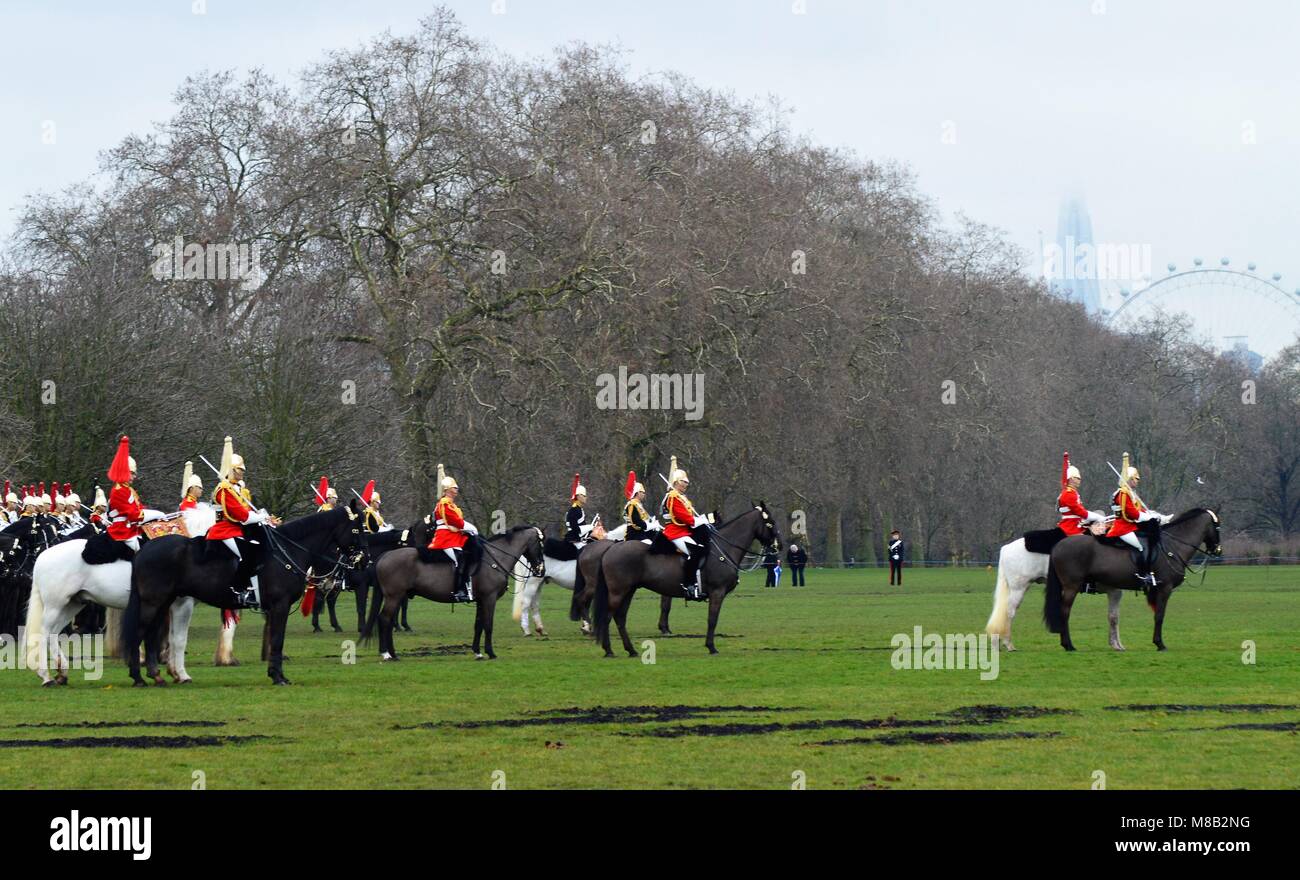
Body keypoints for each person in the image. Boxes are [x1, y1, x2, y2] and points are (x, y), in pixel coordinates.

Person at [207, 436, 274, 608]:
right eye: (239, 470)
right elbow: (241, 516)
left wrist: (264, 518)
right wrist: (261, 516)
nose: (242, 472)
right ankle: (240, 590)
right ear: (232, 470)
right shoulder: (224, 489)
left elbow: (247, 511)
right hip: (224, 530)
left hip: (236, 529)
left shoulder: (237, 489)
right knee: (248, 554)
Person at [1105, 455, 1171, 588]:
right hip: (1123, 527)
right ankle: (1143, 574)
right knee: (1140, 547)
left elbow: (1140, 510)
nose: (1137, 481)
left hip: (1130, 525)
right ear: (1129, 479)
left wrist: (1156, 515)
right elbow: (1132, 514)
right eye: (1136, 479)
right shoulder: (1123, 493)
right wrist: (1152, 518)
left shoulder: (1130, 493)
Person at [428, 465, 476, 602]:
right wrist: (470, 527)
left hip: (453, 536)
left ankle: (466, 588)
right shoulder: (444, 504)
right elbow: (456, 521)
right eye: (454, 488)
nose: (457, 490)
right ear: (447, 490)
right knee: (459, 560)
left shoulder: (451, 504)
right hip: (445, 538)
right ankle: (459, 590)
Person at [663, 462, 710, 601]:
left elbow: (689, 517)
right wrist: (701, 520)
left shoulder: (681, 497)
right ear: (676, 482)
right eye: (684, 482)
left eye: (686, 482)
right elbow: (687, 519)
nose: (686, 484)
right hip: (675, 532)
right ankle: (689, 585)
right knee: (694, 551)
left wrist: (698, 519)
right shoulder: (673, 497)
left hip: (684, 531)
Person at [105, 437, 145, 555]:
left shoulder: (129, 490)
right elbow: (133, 514)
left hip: (132, 527)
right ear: (124, 472)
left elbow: (139, 508)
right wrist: (151, 514)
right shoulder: (118, 490)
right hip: (123, 530)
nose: (134, 477)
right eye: (132, 473)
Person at [622, 471, 653, 541]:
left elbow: (644, 518)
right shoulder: (632, 504)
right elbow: (636, 522)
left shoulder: (638, 505)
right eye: (642, 492)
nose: (644, 494)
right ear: (637, 493)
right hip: (634, 533)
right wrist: (648, 525)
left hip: (642, 532)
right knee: (648, 544)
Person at [565, 474, 593, 546]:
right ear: (578, 496)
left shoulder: (579, 509)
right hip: (575, 539)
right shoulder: (574, 510)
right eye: (584, 496)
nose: (586, 497)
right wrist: (589, 528)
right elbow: (574, 527)